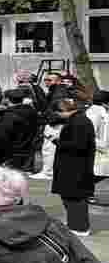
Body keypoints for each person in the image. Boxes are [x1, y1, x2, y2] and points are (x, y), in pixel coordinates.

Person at [50, 98, 96, 236]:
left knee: (75, 197)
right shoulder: (77, 120)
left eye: (58, 113)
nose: (58, 116)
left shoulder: (79, 122)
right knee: (70, 196)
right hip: (73, 166)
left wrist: (56, 141)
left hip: (76, 167)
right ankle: (74, 223)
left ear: (63, 111)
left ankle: (80, 227)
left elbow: (78, 145)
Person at [0, 89, 39, 171]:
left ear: (7, 99)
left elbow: (1, 138)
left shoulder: (9, 116)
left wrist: (0, 157)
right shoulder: (32, 112)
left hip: (12, 155)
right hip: (28, 152)